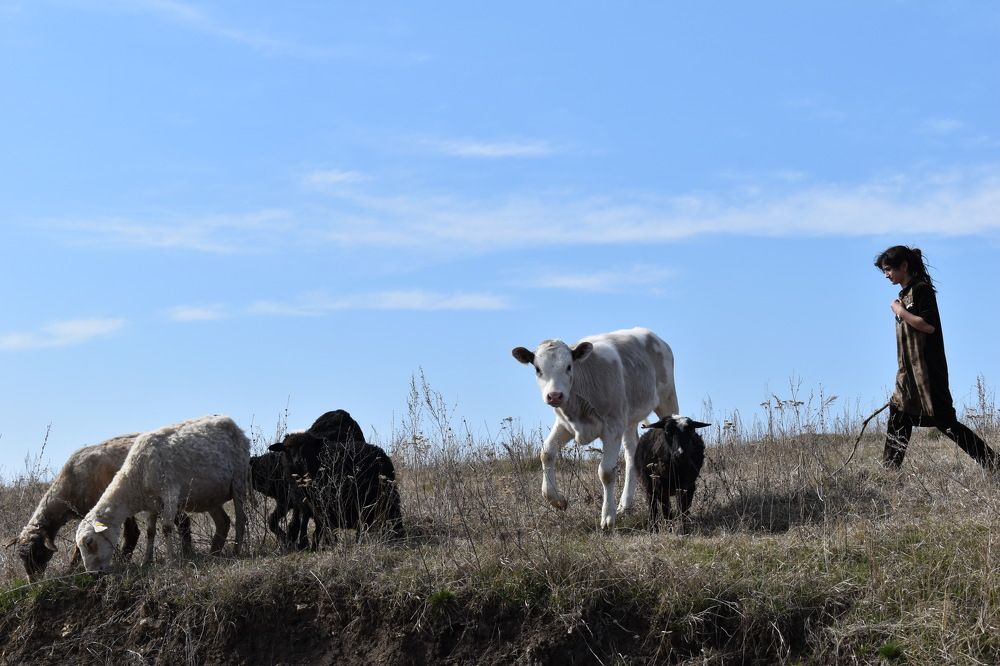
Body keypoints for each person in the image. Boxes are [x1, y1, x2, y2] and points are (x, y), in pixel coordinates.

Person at [875, 245, 997, 470]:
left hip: (928, 371)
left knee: (945, 422)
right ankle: (890, 472)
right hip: (908, 373)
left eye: (889, 269)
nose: (886, 275)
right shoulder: (904, 294)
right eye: (884, 270)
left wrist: (900, 312)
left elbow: (928, 326)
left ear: (904, 266)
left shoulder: (921, 290)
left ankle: (993, 463)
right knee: (898, 414)